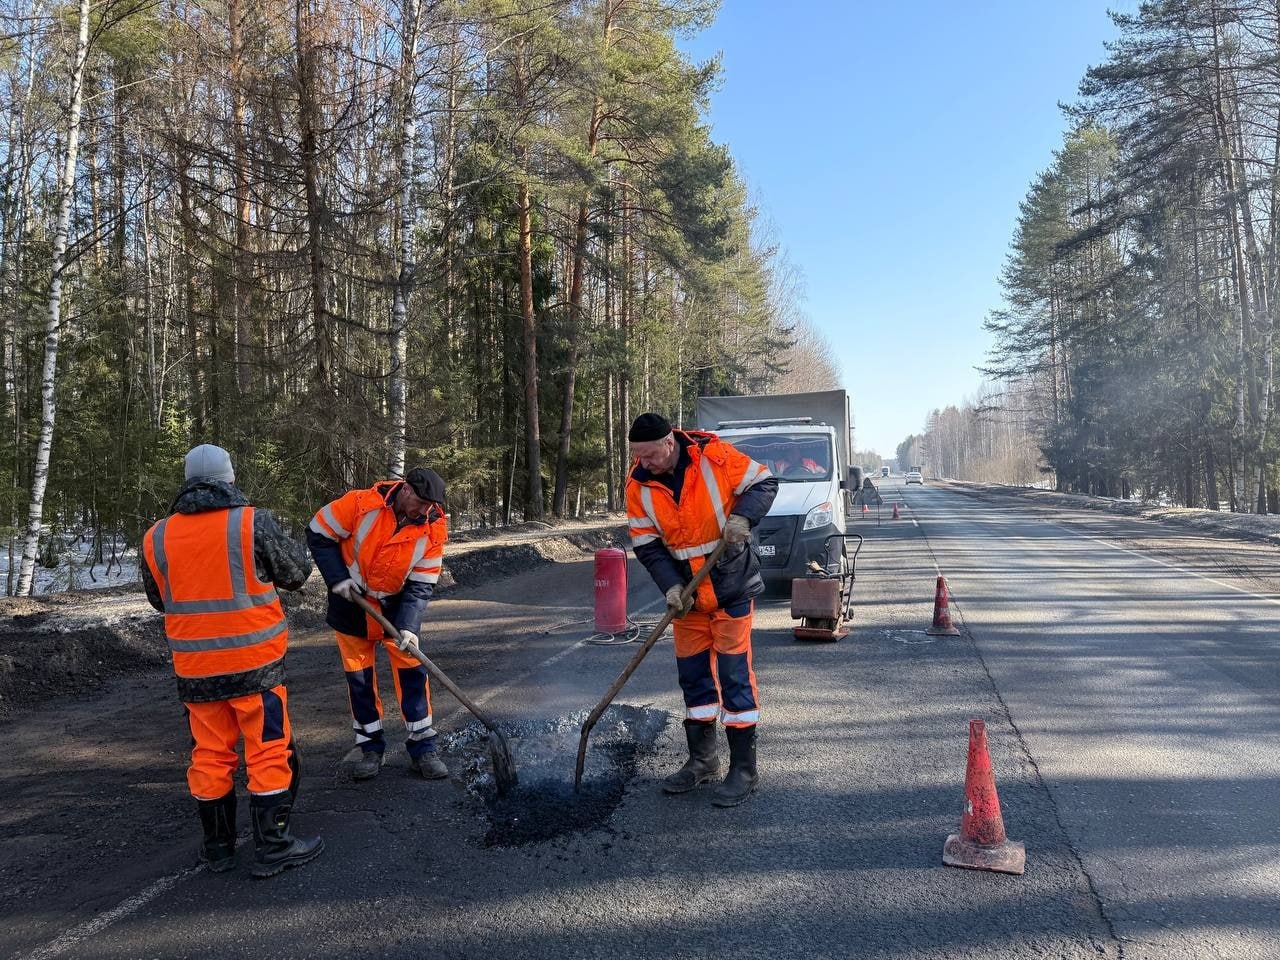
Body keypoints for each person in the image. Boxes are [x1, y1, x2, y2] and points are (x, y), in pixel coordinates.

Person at [141, 444, 323, 879]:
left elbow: (156, 600)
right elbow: (297, 573)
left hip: (196, 671)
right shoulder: (251, 523)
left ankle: (218, 848)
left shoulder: (156, 536)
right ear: (230, 478)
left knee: (209, 754)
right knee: (267, 750)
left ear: (187, 482)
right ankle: (273, 845)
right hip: (255, 665)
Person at [625, 412, 778, 807]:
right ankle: (703, 760)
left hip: (730, 587)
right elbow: (647, 545)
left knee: (734, 678)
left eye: (649, 454)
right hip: (689, 600)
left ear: (669, 443)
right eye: (637, 456)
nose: (644, 462)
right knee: (694, 681)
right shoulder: (638, 486)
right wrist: (671, 586)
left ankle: (744, 770)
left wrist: (744, 516)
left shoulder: (715, 457)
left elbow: (764, 482)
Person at [307, 467, 448, 781]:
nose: (425, 511)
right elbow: (318, 533)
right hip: (352, 601)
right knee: (359, 677)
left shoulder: (433, 529)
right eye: (422, 503)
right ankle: (370, 747)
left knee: (412, 668)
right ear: (406, 490)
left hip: (396, 606)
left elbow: (422, 584)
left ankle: (423, 746)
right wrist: (337, 578)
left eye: (431, 506)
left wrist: (409, 626)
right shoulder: (360, 504)